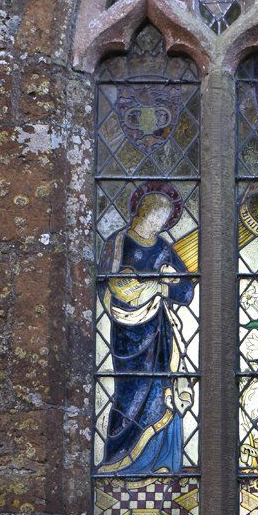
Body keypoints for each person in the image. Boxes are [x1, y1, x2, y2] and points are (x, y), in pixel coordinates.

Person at [97, 183, 194, 475]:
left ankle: (163, 463)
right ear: (142, 212)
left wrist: (173, 280)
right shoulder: (119, 242)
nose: (159, 223)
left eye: (164, 219)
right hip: (128, 333)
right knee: (131, 394)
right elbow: (107, 283)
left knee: (163, 390)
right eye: (156, 216)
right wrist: (140, 287)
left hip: (159, 329)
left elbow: (186, 292)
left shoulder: (164, 248)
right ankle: (118, 462)